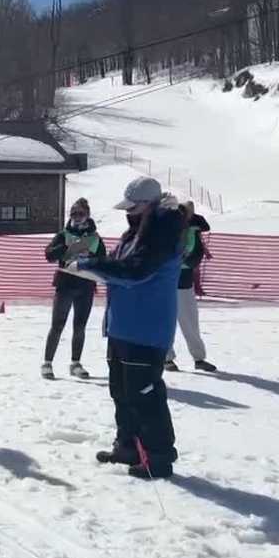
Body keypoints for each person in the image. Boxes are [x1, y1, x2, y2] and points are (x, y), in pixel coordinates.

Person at [76, 177, 184, 479]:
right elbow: (120, 264)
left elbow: (135, 272)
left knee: (145, 395)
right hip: (122, 326)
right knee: (121, 393)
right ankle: (128, 445)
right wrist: (96, 263)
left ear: (150, 205)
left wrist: (92, 267)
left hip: (146, 330)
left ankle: (158, 456)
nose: (129, 214)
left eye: (134, 208)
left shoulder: (162, 233)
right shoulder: (136, 232)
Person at [42, 198, 105, 380]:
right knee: (57, 324)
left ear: (87, 215)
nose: (77, 217)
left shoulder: (94, 237)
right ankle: (47, 362)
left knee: (80, 326)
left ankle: (75, 363)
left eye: (80, 214)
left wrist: (91, 256)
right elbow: (49, 254)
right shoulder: (63, 234)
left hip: (85, 285)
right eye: (73, 214)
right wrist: (66, 247)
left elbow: (103, 259)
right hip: (65, 284)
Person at [166, 201, 216, 373]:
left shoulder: (193, 229)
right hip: (168, 283)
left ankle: (199, 358)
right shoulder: (168, 230)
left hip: (184, 283)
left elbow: (196, 255)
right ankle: (167, 358)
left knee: (190, 323)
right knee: (167, 322)